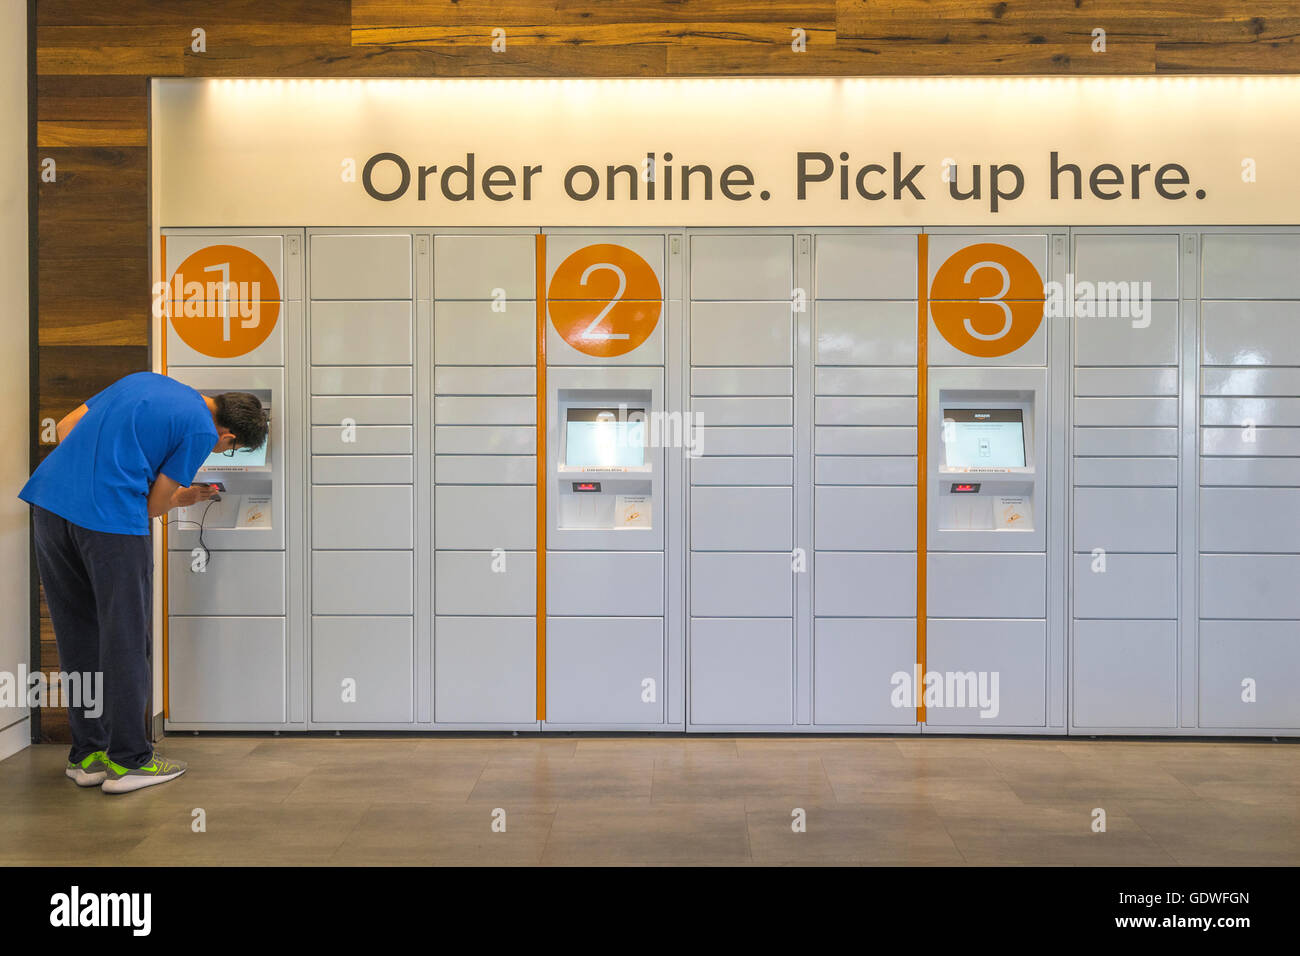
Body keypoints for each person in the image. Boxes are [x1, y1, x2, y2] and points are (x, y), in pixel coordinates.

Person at [19, 371, 268, 794]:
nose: (220, 450)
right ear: (227, 436)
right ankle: (131, 761)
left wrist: (94, 477)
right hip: (111, 521)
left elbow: (65, 426)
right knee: (127, 637)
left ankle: (87, 756)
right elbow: (154, 505)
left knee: (77, 635)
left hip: (50, 504)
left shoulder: (144, 381)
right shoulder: (200, 430)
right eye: (228, 449)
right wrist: (173, 497)